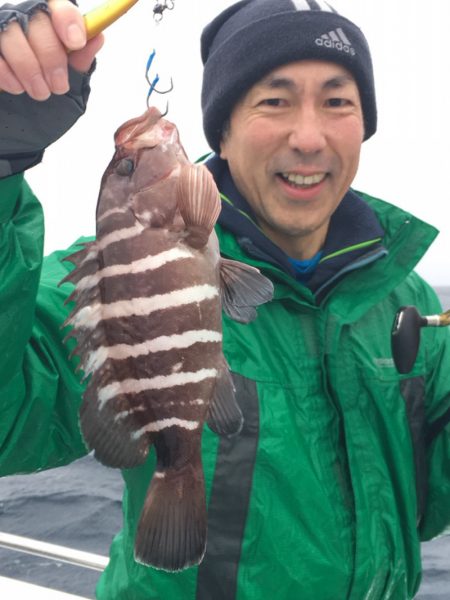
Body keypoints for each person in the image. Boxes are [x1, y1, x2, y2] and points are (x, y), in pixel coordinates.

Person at [0, 0, 449, 598]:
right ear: (223, 132)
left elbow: (429, 499)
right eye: (274, 100)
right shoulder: (108, 279)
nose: (309, 137)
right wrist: (2, 159)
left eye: (338, 101)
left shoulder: (408, 298)